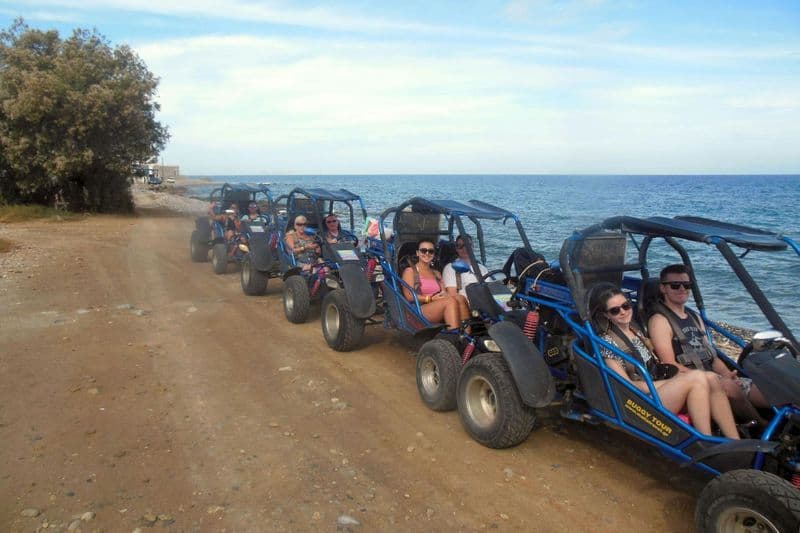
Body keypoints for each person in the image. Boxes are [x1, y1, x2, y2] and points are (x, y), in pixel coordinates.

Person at [594, 285, 739, 439]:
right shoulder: (607, 342)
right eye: (615, 310)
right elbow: (626, 386)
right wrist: (671, 382)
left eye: (626, 306)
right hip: (638, 403)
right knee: (696, 378)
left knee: (710, 377)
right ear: (606, 315)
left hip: (656, 388)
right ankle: (705, 439)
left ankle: (734, 439)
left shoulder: (637, 331)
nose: (623, 312)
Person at [647, 264, 769, 419]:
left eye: (687, 285)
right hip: (688, 380)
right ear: (663, 289)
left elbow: (712, 356)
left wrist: (727, 374)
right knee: (729, 387)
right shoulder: (660, 321)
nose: (682, 289)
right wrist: (714, 378)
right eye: (675, 285)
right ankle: (760, 427)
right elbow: (669, 363)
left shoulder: (694, 317)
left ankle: (785, 423)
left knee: (768, 390)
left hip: (713, 375)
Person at [401, 240, 469, 330]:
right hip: (417, 310)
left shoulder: (436, 273)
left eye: (431, 251)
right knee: (450, 302)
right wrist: (430, 298)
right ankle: (455, 336)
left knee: (460, 298)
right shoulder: (410, 271)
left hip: (436, 306)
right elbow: (409, 296)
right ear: (417, 253)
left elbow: (444, 292)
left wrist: (446, 294)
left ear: (434, 254)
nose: (427, 253)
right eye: (423, 250)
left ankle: (466, 336)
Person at [442, 234, 489, 300]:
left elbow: (489, 289)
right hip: (464, 304)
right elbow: (452, 295)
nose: (464, 249)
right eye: (460, 246)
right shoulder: (450, 268)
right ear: (456, 248)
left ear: (472, 247)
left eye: (467, 245)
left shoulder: (482, 268)